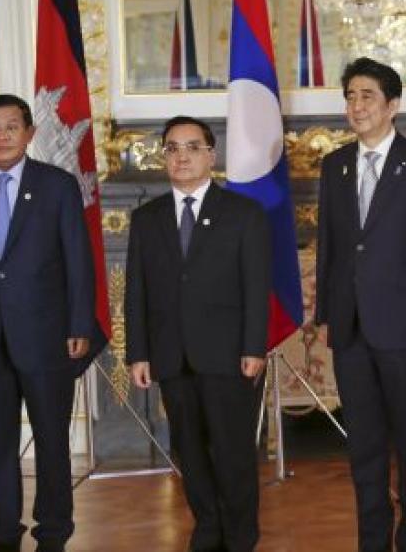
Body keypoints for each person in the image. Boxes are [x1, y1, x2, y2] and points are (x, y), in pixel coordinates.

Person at [0, 94, 95, 552]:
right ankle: (3, 531)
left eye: (12, 126)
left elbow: (78, 262)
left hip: (48, 336)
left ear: (29, 133)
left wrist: (80, 325)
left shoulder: (57, 185)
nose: (2, 135)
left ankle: (53, 531)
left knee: (51, 438)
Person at [314, 57, 406, 552]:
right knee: (365, 447)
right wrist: (326, 316)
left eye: (367, 96)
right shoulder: (335, 166)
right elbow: (330, 246)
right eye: (350, 96)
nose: (356, 106)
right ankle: (373, 541)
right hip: (350, 329)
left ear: (393, 105)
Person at [125, 116, 270, 552]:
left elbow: (256, 287)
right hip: (171, 355)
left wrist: (253, 345)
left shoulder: (243, 213)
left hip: (228, 353)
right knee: (188, 450)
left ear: (211, 154)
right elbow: (136, 291)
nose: (182, 156)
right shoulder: (146, 219)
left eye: (192, 147)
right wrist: (138, 353)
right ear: (163, 157)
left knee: (232, 450)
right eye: (172, 148)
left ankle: (241, 533)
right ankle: (207, 526)